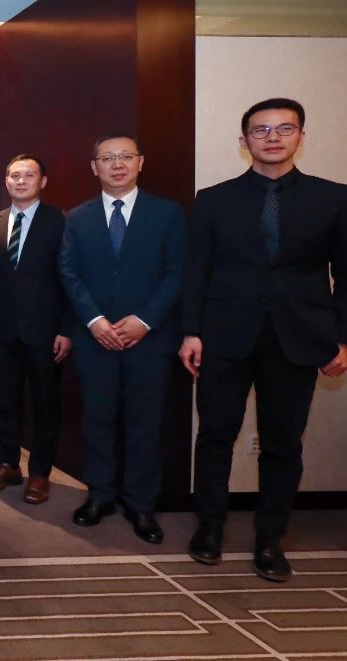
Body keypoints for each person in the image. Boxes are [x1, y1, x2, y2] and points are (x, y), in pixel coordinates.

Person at [180, 98, 347, 581]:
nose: (272, 138)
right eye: (261, 130)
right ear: (244, 140)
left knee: (283, 443)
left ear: (301, 136)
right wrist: (191, 331)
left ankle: (270, 538)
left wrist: (342, 339)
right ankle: (209, 526)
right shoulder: (213, 199)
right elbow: (195, 272)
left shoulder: (333, 198)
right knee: (215, 435)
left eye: (284, 129)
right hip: (224, 336)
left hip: (298, 337)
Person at [58, 134, 184, 544]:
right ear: (94, 167)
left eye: (125, 157)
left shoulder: (168, 214)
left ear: (140, 162)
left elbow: (177, 273)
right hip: (94, 339)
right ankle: (100, 495)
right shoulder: (77, 217)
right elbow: (68, 272)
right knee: (97, 420)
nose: (117, 165)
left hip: (150, 340)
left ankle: (141, 503)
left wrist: (145, 321)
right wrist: (95, 321)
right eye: (108, 158)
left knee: (144, 423)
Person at [0, 155, 71, 504]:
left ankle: (41, 472)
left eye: (29, 175)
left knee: (45, 403)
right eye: (15, 175)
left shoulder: (61, 222)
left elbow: (70, 279)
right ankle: (7, 464)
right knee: (7, 400)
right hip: (3, 330)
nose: (21, 181)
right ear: (6, 181)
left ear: (42, 181)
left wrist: (66, 329)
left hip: (46, 331)